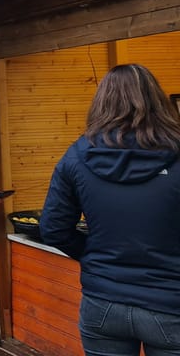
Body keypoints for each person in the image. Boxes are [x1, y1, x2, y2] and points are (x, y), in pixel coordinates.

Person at [40, 64, 180, 356]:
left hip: (103, 303)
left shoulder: (76, 156)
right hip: (170, 305)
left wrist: (93, 254)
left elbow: (53, 229)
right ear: (158, 100)